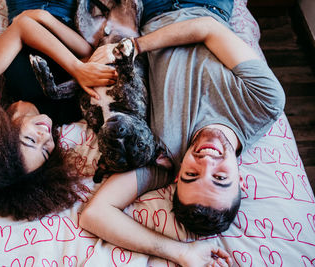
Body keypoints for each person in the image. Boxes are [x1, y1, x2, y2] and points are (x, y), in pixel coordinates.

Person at [80, 0, 285, 266]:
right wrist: (137, 46)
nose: (207, 161)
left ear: (177, 176)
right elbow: (208, 29)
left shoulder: (164, 157)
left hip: (151, 10)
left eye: (191, 175)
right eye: (220, 177)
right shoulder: (264, 103)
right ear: (240, 181)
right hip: (207, 6)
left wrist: (180, 252)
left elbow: (94, 215)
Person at [0, 0, 117, 220]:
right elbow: (88, 52)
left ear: (0, 135)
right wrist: (45, 18)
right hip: (67, 16)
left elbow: (20, 28)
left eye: (30, 140)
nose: (44, 137)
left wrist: (76, 68)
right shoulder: (65, 111)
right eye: (46, 150)